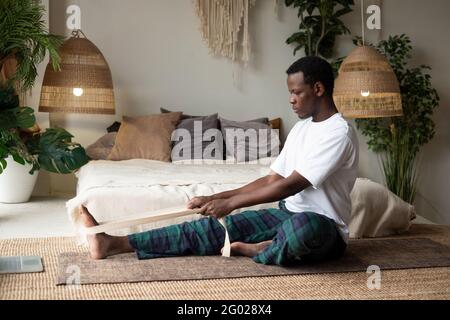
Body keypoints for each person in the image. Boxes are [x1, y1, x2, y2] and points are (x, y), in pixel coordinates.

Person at [80, 56, 359, 266]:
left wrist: (230, 204)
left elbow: (290, 186)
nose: (291, 100)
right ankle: (113, 243)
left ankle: (262, 251)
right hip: (286, 214)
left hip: (324, 226)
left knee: (302, 229)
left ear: (319, 89)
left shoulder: (338, 133)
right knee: (213, 228)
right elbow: (273, 179)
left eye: (297, 92)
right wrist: (217, 197)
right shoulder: (302, 129)